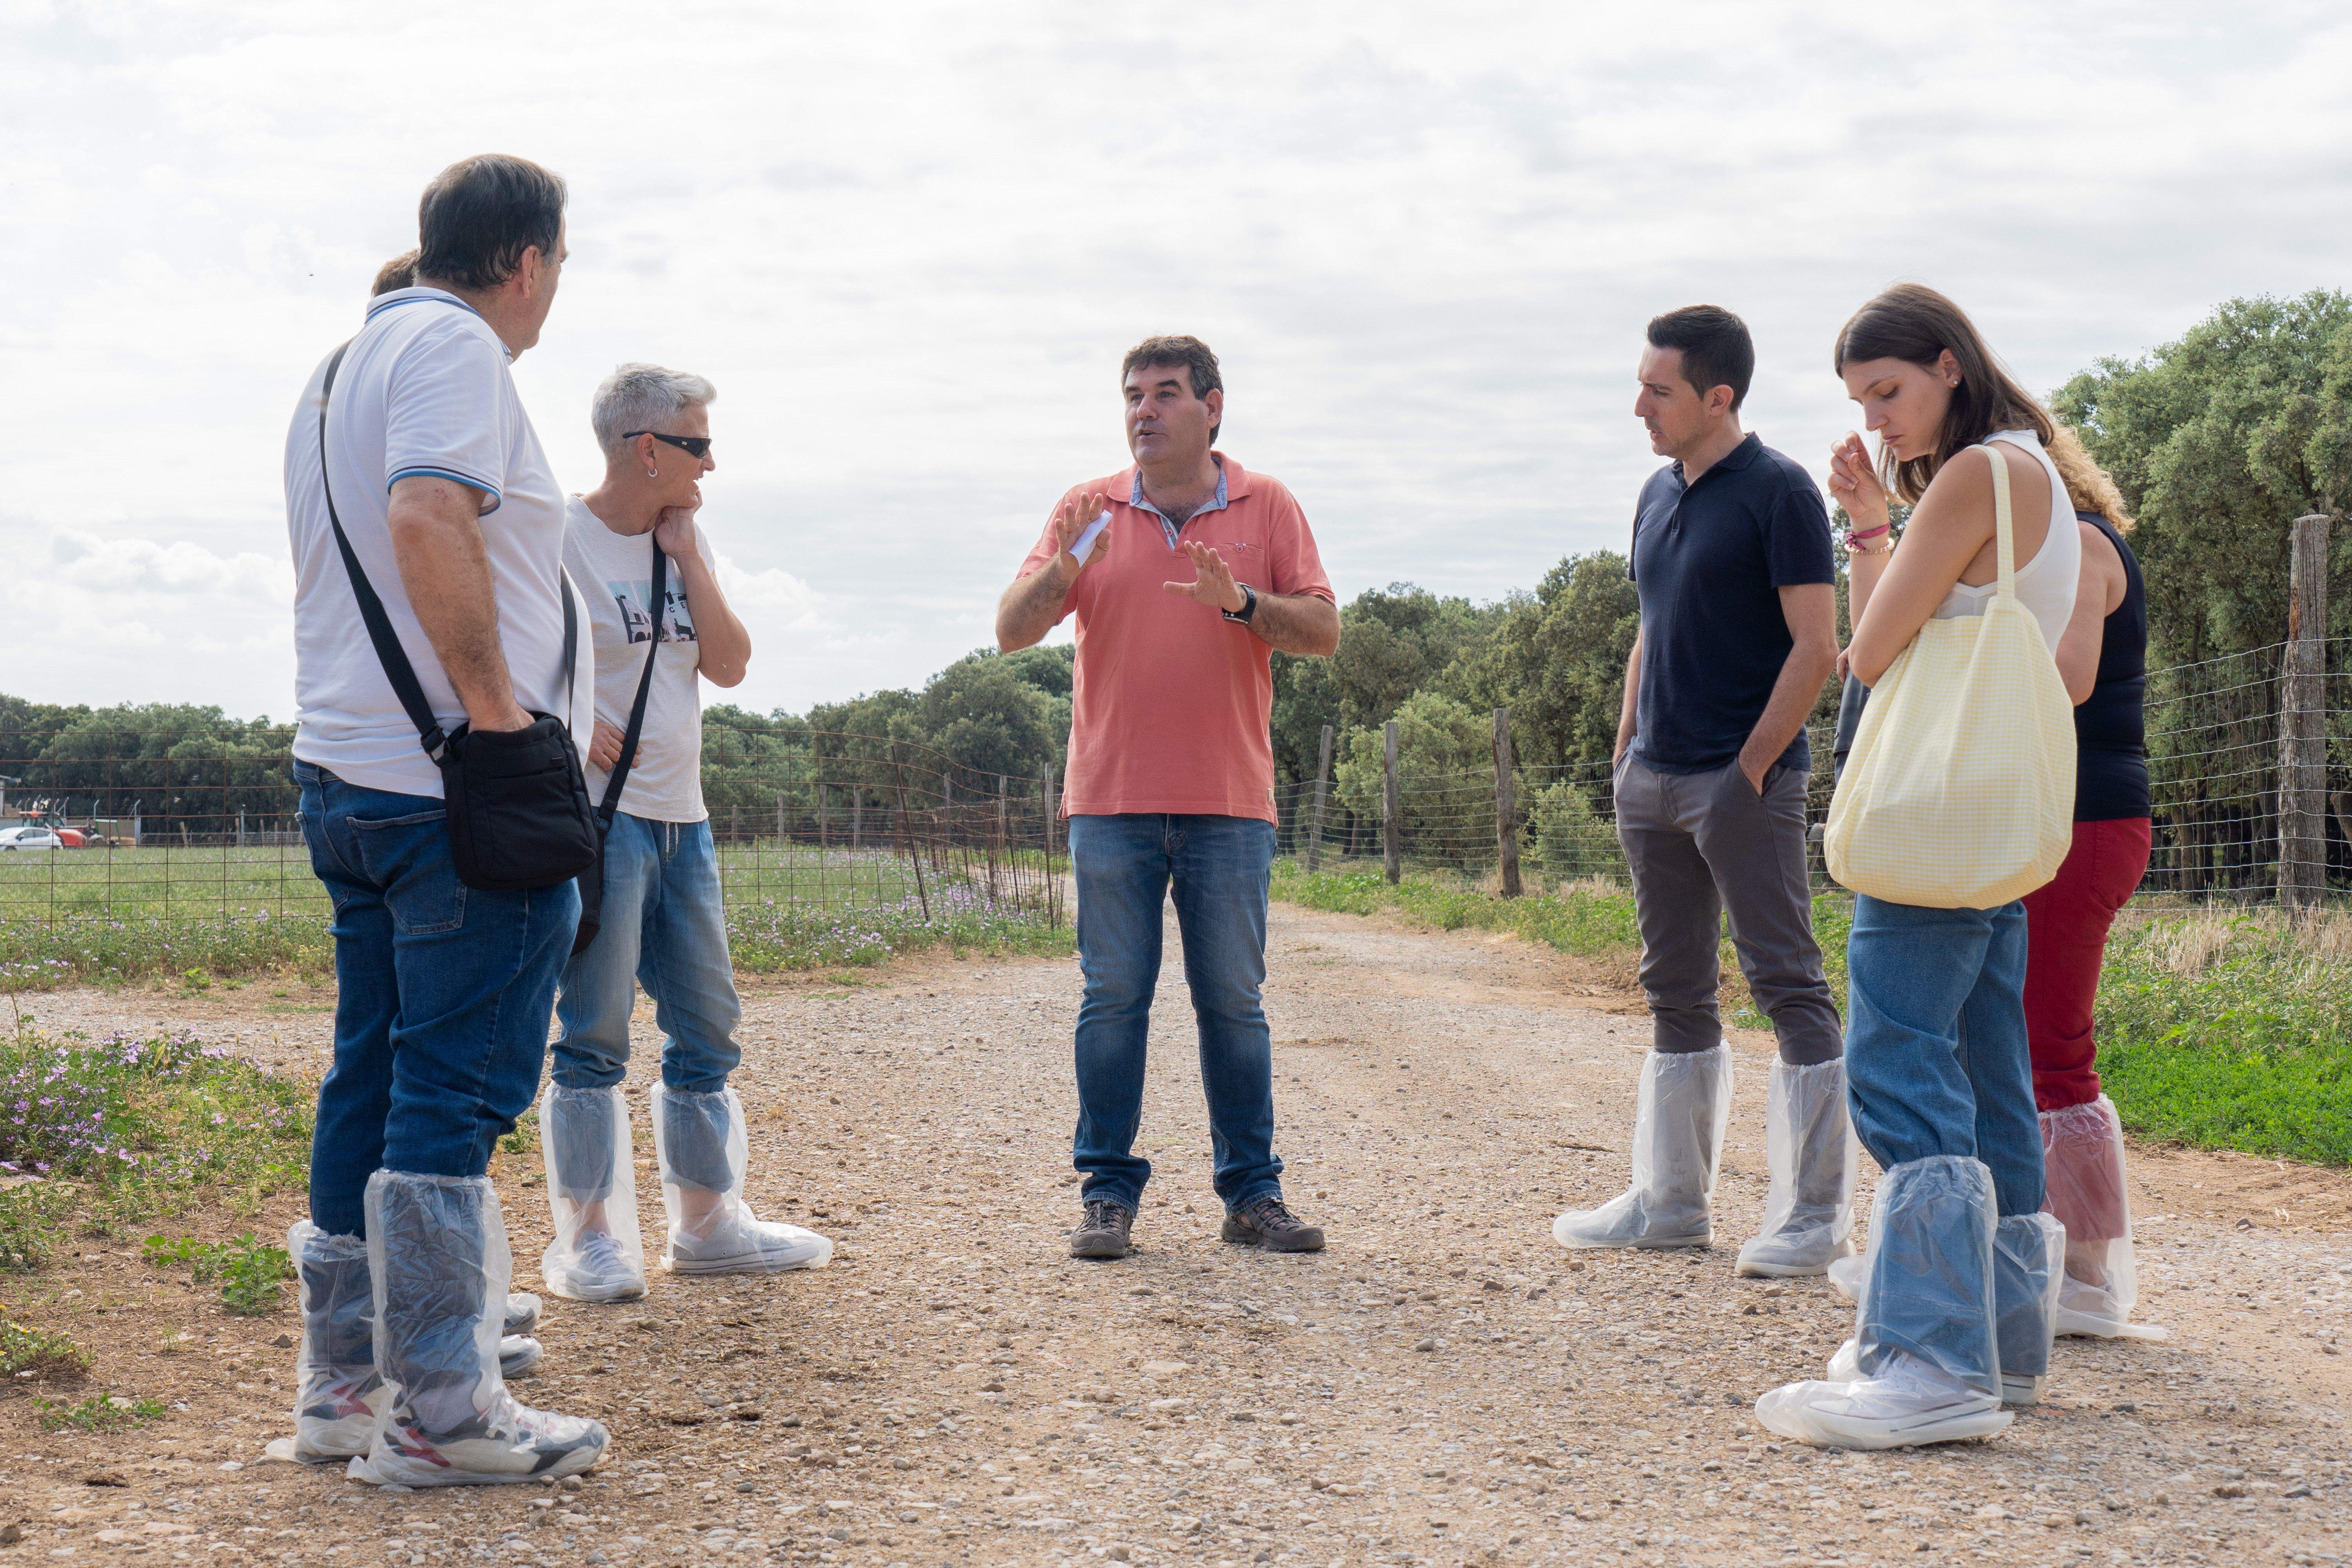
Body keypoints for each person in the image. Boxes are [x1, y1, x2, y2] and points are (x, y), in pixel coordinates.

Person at [281, 153, 607, 1485]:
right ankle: (441, 1416)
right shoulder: (457, 350)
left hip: (352, 775)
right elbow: (427, 515)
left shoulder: (338, 369)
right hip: (446, 785)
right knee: (452, 1089)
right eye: (559, 265)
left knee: (371, 1069)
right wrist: (498, 720)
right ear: (526, 258)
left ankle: (343, 1391)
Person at [1757, 283, 2079, 1450]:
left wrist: (1863, 532)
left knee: (1896, 1061)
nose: (1879, 420)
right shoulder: (2035, 471)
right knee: (1990, 1060)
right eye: (1859, 401)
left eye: (1888, 393)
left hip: (1934, 804)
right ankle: (2003, 1338)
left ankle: (1934, 1360)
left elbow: (1871, 649)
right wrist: (1881, 524)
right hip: (2000, 804)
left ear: (1950, 365)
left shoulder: (1971, 478)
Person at [995, 335, 1340, 1261]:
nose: (1144, 410)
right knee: (1114, 999)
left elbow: (1322, 629)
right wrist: (1065, 571)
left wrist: (1243, 606)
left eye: (1166, 394)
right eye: (1133, 396)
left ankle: (1251, 1196)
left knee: (1233, 1000)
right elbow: (1010, 631)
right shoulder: (1086, 506)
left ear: (1213, 407)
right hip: (1111, 800)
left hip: (1230, 801)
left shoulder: (1268, 506)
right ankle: (1107, 1193)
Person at [1552, 305, 1852, 1278]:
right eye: (1642, 383)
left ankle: (1813, 1218)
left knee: (1789, 985)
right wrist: (1625, 747)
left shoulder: (1783, 493)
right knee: (1674, 988)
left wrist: (1750, 771)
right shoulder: (1653, 491)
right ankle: (1671, 1202)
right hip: (1655, 777)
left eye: (1659, 388)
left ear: (1718, 396)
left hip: (1743, 783)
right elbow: (1651, 624)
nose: (1639, 403)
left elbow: (1818, 650)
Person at [539, 363, 833, 1303]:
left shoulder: (679, 539)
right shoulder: (554, 537)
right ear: (648, 448)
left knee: (708, 1025)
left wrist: (692, 556)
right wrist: (573, 722)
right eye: (700, 443)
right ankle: (591, 1238)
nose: (714, 460)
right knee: (593, 1035)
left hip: (686, 819)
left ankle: (708, 1225)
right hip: (603, 820)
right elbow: (493, 658)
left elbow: (734, 664)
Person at [2029, 441, 2163, 1340]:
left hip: (2084, 820)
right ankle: (2061, 1264)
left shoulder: (2080, 545)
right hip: (2071, 817)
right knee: (2035, 1034)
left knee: (2052, 1043)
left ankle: (2084, 1277)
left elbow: (2066, 679)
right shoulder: (2080, 538)